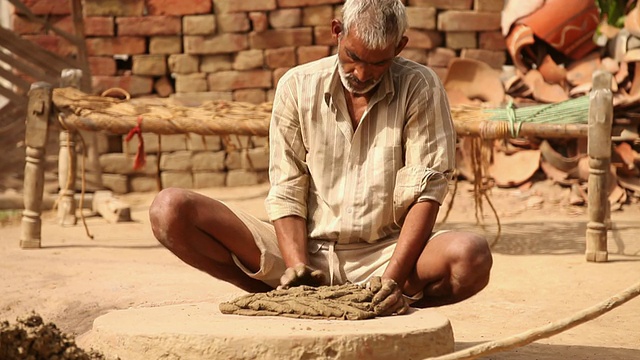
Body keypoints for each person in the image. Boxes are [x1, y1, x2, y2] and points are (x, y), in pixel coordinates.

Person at [149, 0, 492, 315]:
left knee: (470, 256)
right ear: (336, 31)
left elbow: (426, 193)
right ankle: (282, 297)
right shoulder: (296, 86)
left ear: (399, 48)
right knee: (170, 210)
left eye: (378, 63)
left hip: (385, 254)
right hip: (304, 250)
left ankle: (391, 302)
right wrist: (297, 267)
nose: (361, 74)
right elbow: (287, 187)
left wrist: (389, 281)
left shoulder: (421, 86)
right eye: (353, 56)